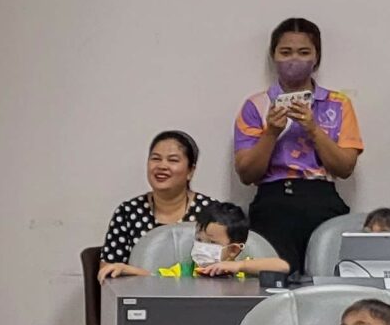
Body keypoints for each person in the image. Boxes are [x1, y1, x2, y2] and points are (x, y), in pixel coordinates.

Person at [230, 18, 361, 269]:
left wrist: (313, 129)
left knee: (324, 276)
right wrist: (271, 133)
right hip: (273, 202)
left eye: (303, 52)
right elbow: (246, 174)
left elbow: (345, 168)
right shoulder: (255, 105)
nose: (294, 59)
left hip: (322, 200)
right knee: (274, 280)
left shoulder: (338, 103)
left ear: (316, 57)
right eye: (285, 52)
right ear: (273, 56)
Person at [98, 129, 217, 279]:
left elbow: (226, 272)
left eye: (173, 160)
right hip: (139, 293)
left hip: (199, 293)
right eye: (155, 158)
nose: (162, 166)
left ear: (190, 171)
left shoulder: (212, 212)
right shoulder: (127, 212)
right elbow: (108, 273)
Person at [119, 200, 287, 280]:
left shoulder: (242, 271)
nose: (202, 247)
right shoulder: (184, 271)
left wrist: (239, 266)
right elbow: (153, 277)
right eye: (199, 240)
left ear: (233, 250)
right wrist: (125, 269)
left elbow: (282, 266)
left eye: (212, 243)